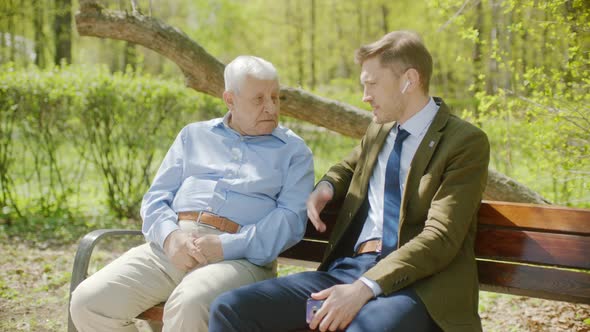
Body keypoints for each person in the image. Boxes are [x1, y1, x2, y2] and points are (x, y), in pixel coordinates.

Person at [209, 31, 489, 332]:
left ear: (409, 80)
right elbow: (348, 166)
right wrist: (326, 187)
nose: (365, 96)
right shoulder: (380, 129)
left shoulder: (464, 143)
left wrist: (364, 288)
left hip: (421, 288)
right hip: (351, 269)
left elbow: (440, 237)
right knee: (232, 309)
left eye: (371, 84)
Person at [69, 55, 315, 332]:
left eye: (275, 97)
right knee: (88, 302)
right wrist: (171, 238)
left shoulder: (294, 151)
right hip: (172, 249)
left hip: (240, 259)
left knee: (189, 303)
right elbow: (156, 197)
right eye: (258, 99)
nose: (270, 107)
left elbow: (290, 220)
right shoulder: (193, 136)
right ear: (230, 100)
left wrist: (225, 246)